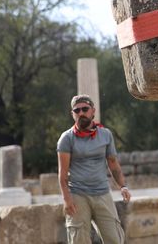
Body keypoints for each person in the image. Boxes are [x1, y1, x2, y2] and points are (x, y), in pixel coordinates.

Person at [57, 94, 131, 244]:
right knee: (79, 240)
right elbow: (63, 173)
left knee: (115, 239)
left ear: (93, 111)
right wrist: (66, 198)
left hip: (102, 193)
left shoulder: (105, 135)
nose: (81, 113)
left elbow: (113, 164)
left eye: (85, 109)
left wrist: (123, 186)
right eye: (77, 111)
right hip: (78, 195)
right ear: (73, 114)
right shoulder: (66, 138)